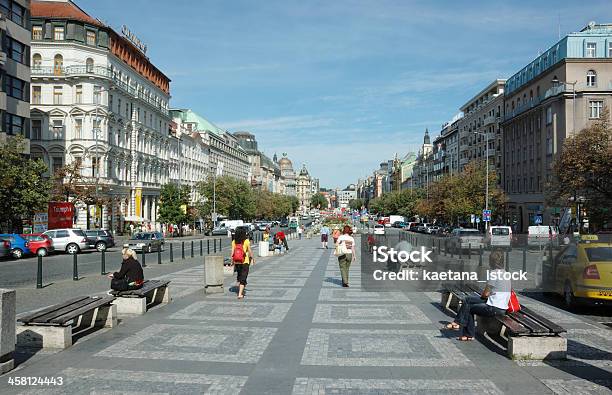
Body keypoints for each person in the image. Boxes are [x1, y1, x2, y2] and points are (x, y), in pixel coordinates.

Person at [444, 249, 511, 341]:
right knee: (467, 300)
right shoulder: (505, 273)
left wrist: (484, 295)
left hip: (494, 308)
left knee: (469, 308)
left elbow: (485, 294)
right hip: (501, 306)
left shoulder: (494, 273)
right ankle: (458, 323)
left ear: (491, 261)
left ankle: (467, 333)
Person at [231, 227, 254, 299]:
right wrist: (252, 258)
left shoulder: (234, 241)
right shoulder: (246, 241)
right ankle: (240, 294)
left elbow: (232, 253)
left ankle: (241, 286)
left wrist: (232, 261)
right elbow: (250, 251)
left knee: (240, 275)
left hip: (237, 261)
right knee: (243, 278)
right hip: (245, 261)